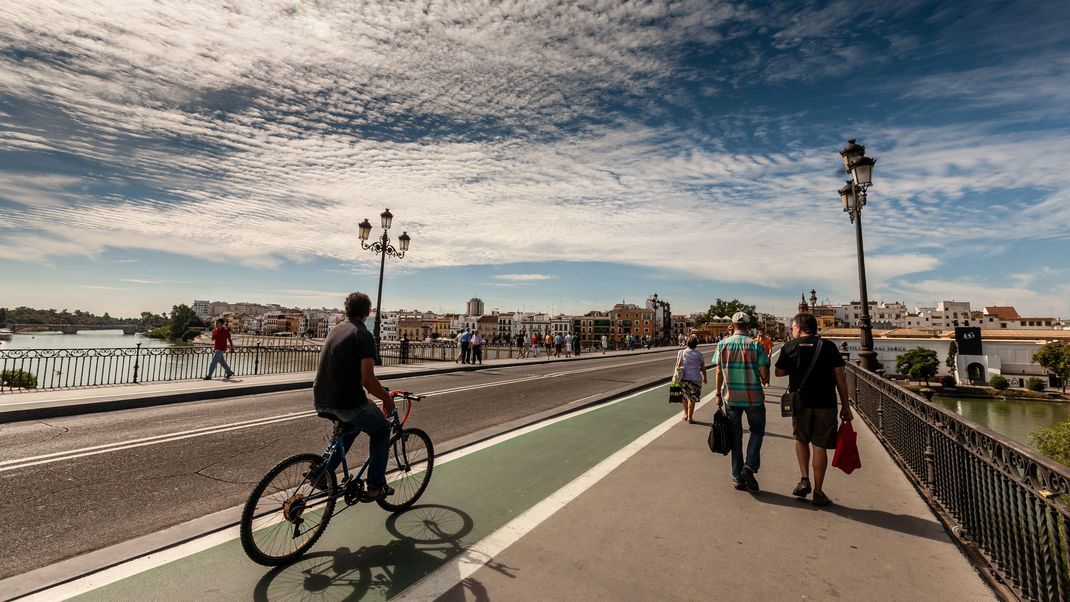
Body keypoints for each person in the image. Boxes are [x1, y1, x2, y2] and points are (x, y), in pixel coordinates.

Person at [312, 292, 394, 501]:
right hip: (346, 401)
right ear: (368, 311)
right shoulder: (363, 335)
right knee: (382, 430)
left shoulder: (336, 329)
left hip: (321, 398)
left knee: (351, 426)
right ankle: (375, 487)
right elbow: (367, 379)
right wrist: (386, 397)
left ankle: (322, 474)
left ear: (346, 310)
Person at [774, 313, 853, 507]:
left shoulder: (790, 346)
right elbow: (840, 377)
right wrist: (846, 405)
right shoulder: (828, 347)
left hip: (799, 403)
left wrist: (796, 366)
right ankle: (818, 492)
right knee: (820, 446)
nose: (792, 331)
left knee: (801, 439)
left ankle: (804, 479)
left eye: (793, 328)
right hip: (826, 403)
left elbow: (779, 371)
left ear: (799, 328)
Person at [714, 312, 770, 492]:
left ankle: (737, 478)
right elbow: (764, 376)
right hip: (753, 398)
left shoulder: (722, 344)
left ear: (732, 325)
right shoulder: (756, 345)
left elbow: (718, 372)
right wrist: (763, 377)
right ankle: (749, 466)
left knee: (735, 438)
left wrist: (717, 394)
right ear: (747, 326)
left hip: (731, 398)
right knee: (757, 431)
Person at [674, 335, 707, 423]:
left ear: (687, 343)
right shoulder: (699, 354)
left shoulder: (681, 352)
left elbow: (677, 365)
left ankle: (685, 414)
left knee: (684, 397)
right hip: (695, 379)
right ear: (696, 345)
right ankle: (690, 417)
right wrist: (705, 378)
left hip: (683, 378)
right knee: (692, 398)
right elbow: (703, 368)